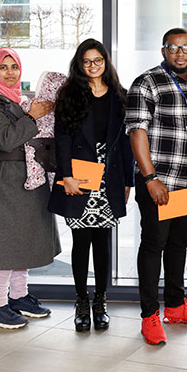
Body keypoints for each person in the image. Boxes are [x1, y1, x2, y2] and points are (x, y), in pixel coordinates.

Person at [126, 27, 187, 345]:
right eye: (173, 48)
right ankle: (149, 315)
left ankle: (176, 306)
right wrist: (150, 179)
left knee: (179, 244)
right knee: (153, 245)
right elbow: (137, 132)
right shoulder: (147, 82)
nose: (180, 54)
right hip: (160, 182)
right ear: (163, 51)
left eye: (186, 48)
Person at [48, 38, 134, 332]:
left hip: (110, 176)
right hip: (80, 173)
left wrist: (128, 181)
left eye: (98, 61)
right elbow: (61, 138)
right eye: (87, 62)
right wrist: (66, 175)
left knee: (103, 242)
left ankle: (101, 301)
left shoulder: (119, 95)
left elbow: (125, 143)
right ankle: (81, 302)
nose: (93, 66)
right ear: (79, 65)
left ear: (105, 62)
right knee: (81, 241)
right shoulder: (70, 94)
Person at [0, 47, 60, 329]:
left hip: (29, 178)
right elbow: (5, 139)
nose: (10, 73)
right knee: (6, 241)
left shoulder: (21, 100)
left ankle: (18, 296)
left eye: (14, 67)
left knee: (24, 238)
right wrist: (32, 117)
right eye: (4, 67)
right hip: (4, 180)